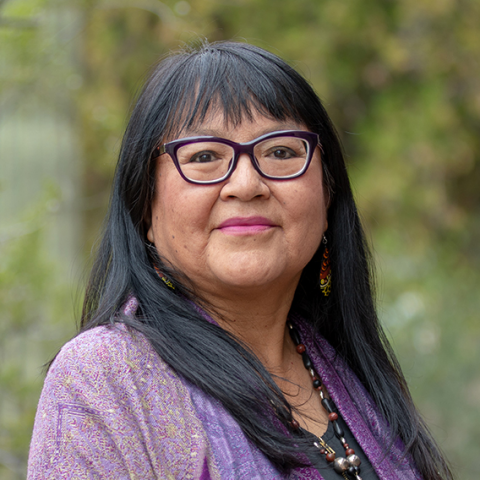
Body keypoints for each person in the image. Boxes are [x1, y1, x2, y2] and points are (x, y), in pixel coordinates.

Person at [28, 41, 452, 480]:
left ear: (327, 197)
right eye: (205, 157)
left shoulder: (351, 374)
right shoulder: (108, 378)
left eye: (281, 152)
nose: (246, 184)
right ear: (145, 209)